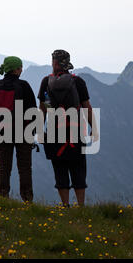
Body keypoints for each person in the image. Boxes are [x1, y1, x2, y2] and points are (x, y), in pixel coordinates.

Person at [38, 50, 98, 207]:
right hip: (75, 130)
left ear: (55, 63)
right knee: (78, 168)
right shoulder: (77, 82)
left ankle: (65, 207)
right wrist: (94, 128)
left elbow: (43, 109)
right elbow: (86, 108)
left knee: (60, 169)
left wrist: (39, 130)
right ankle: (81, 207)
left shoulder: (46, 82)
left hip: (53, 130)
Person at [0, 56, 37, 202]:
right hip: (23, 132)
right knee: (24, 168)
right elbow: (33, 110)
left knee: (3, 167)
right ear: (16, 69)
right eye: (20, 67)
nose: (22, 70)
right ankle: (27, 200)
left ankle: (2, 199)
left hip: (1, 131)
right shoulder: (24, 85)